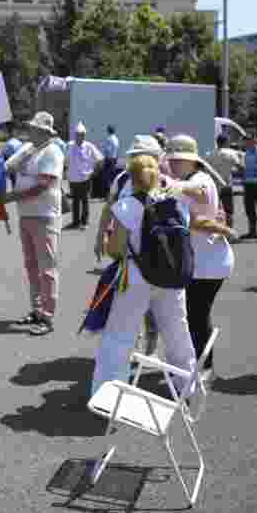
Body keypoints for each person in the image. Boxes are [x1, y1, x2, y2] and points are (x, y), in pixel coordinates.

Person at [90, 152, 199, 399]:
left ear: (132, 178)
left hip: (137, 277)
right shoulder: (178, 204)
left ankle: (108, 393)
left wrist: (110, 242)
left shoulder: (127, 206)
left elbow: (116, 250)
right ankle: (186, 386)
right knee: (177, 332)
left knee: (119, 336)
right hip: (172, 276)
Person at [165, 135, 237, 382]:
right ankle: (198, 365)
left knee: (196, 315)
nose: (173, 164)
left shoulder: (199, 179)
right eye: (170, 159)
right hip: (201, 261)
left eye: (178, 160)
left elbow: (200, 194)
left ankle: (205, 368)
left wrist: (172, 186)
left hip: (209, 263)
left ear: (192, 161)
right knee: (193, 314)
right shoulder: (187, 179)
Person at [2, 111, 65, 337]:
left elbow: (43, 184)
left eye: (33, 129)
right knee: (32, 266)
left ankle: (47, 316)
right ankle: (37, 310)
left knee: (46, 267)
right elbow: (6, 166)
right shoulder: (28, 148)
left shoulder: (53, 151)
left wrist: (11, 197)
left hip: (44, 214)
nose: (29, 131)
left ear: (44, 132)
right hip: (27, 214)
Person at [64, 123, 103, 230]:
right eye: (78, 134)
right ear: (75, 135)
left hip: (85, 178)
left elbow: (100, 159)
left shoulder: (89, 146)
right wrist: (64, 171)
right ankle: (75, 222)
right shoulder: (69, 146)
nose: (80, 137)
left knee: (85, 200)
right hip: (73, 178)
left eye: (82, 135)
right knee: (75, 201)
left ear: (84, 136)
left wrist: (94, 172)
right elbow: (64, 160)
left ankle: (85, 222)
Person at [207, 135, 244, 228]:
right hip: (227, 185)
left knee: (214, 210)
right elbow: (240, 167)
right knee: (228, 211)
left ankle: (216, 232)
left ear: (217, 142)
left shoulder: (209, 154)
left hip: (214, 186)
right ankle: (229, 233)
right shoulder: (231, 154)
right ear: (226, 142)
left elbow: (205, 170)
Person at [98, 125, 120, 199]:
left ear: (108, 131)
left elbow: (108, 150)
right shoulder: (116, 139)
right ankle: (113, 195)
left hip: (109, 160)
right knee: (112, 178)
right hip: (114, 159)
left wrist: (102, 148)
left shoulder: (109, 139)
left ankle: (107, 196)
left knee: (106, 178)